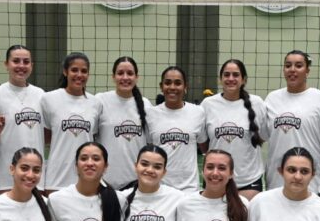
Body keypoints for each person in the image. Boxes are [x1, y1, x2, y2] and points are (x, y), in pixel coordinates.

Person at [263, 50, 320, 191]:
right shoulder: (272, 99)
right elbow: (260, 137)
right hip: (277, 179)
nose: (292, 70)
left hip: (313, 180)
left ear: (307, 70)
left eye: (298, 65)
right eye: (288, 65)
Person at [201, 59, 266, 200]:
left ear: (244, 80)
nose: (231, 78)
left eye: (236, 75)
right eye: (227, 75)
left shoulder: (257, 103)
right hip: (216, 179)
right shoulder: (208, 104)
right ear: (220, 79)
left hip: (248, 180)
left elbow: (264, 134)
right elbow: (203, 142)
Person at [0, 45, 45, 196]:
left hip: (36, 176)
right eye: (16, 61)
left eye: (26, 62)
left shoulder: (41, 95)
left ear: (31, 66)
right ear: (6, 64)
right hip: (6, 176)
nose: (21, 65)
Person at [41, 52, 99, 193]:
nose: (79, 75)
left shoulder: (95, 103)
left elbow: (93, 138)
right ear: (65, 72)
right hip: (57, 177)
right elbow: (45, 137)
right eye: (74, 70)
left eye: (84, 71)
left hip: (86, 177)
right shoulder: (49, 99)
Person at [146, 66, 206, 192]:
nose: (172, 87)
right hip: (160, 189)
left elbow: (204, 147)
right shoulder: (151, 114)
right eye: (168, 83)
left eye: (178, 83)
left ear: (185, 87)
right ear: (161, 86)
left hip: (189, 189)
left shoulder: (198, 112)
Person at [96, 56, 150, 190]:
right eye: (120, 73)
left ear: (137, 77)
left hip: (136, 183)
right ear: (113, 77)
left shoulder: (146, 105)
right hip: (105, 182)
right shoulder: (101, 101)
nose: (125, 77)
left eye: (130, 73)